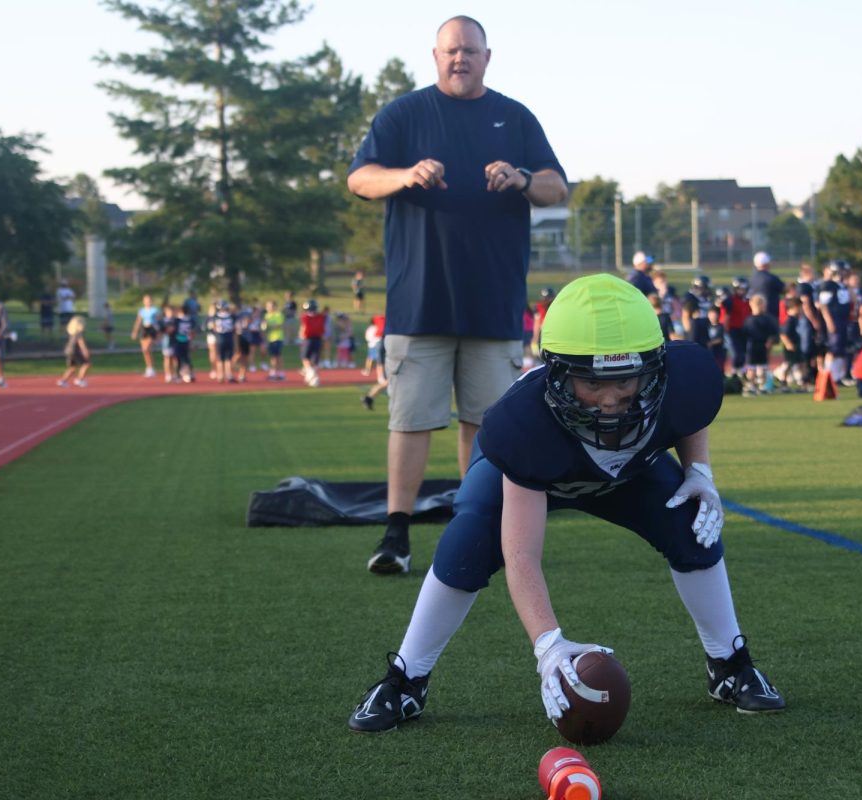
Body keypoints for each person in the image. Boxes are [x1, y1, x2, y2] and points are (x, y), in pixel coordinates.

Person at [346, 274, 786, 734]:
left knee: (692, 520)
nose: (612, 401)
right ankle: (406, 679)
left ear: (654, 369)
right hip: (539, 471)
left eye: (626, 380)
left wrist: (699, 472)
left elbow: (689, 409)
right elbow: (521, 555)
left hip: (629, 473)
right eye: (592, 383)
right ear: (557, 373)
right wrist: (549, 646)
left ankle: (729, 665)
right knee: (470, 539)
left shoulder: (681, 377)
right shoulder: (524, 424)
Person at [347, 15, 568, 575]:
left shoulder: (514, 116)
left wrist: (520, 178)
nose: (460, 59)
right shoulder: (404, 113)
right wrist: (405, 175)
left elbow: (556, 185)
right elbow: (359, 179)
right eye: (451, 51)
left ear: (487, 56)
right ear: (435, 55)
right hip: (419, 300)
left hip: (492, 300)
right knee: (411, 419)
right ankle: (396, 534)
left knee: (486, 423)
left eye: (469, 50)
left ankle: (474, 529)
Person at [741, 294, 779, 395]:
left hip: (763, 346)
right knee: (751, 368)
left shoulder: (766, 319)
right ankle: (751, 385)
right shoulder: (749, 320)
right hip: (752, 346)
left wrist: (770, 342)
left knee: (762, 367)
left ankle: (762, 386)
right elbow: (745, 334)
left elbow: (772, 333)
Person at [57, 315, 92, 387]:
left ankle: (63, 381)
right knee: (86, 364)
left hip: (68, 350)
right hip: (74, 350)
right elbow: (81, 342)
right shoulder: (79, 332)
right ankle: (80, 379)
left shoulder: (72, 333)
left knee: (72, 367)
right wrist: (85, 350)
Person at [131, 294, 160, 377]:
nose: (148, 302)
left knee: (147, 348)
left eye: (149, 300)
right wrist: (135, 331)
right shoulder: (142, 310)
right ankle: (149, 368)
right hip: (145, 329)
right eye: (146, 300)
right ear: (144, 301)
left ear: (152, 301)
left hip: (152, 329)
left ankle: (151, 368)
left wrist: (158, 333)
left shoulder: (155, 310)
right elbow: (138, 321)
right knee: (145, 351)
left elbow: (159, 321)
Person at [299, 299, 326, 387]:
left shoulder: (305, 317)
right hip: (318, 339)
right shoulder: (321, 317)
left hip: (308, 339)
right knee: (315, 360)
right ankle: (315, 379)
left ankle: (310, 373)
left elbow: (303, 328)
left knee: (305, 358)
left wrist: (301, 337)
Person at [262, 300, 286, 380]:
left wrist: (268, 325)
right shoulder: (267, 315)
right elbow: (264, 328)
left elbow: (278, 325)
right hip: (270, 338)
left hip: (277, 338)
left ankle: (278, 373)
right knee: (273, 356)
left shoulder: (278, 314)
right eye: (267, 306)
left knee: (277, 356)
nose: (269, 308)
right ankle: (276, 373)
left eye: (271, 306)